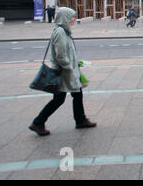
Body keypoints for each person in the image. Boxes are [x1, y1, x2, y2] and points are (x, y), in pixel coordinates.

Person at [29, 7, 96, 136]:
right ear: (64, 17)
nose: (74, 19)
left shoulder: (64, 31)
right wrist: (69, 68)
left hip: (67, 71)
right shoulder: (60, 32)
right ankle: (38, 122)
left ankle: (80, 119)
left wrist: (75, 63)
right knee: (60, 98)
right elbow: (61, 55)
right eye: (72, 17)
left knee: (75, 94)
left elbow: (67, 53)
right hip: (64, 72)